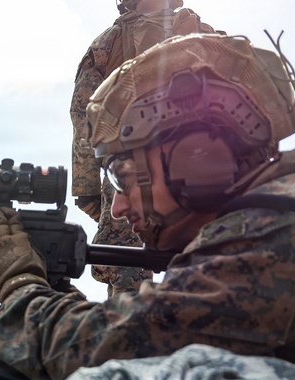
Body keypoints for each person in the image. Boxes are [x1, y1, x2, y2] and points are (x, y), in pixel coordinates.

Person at [0, 32, 295, 380]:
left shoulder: (280, 228)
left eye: (123, 176)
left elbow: (110, 355)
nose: (116, 208)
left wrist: (19, 285)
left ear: (196, 159)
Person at [71, 0, 219, 297]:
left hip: (129, 170)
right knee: (207, 263)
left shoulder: (107, 42)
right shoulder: (201, 32)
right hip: (196, 167)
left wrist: (86, 188)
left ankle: (131, 336)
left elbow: (84, 114)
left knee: (127, 272)